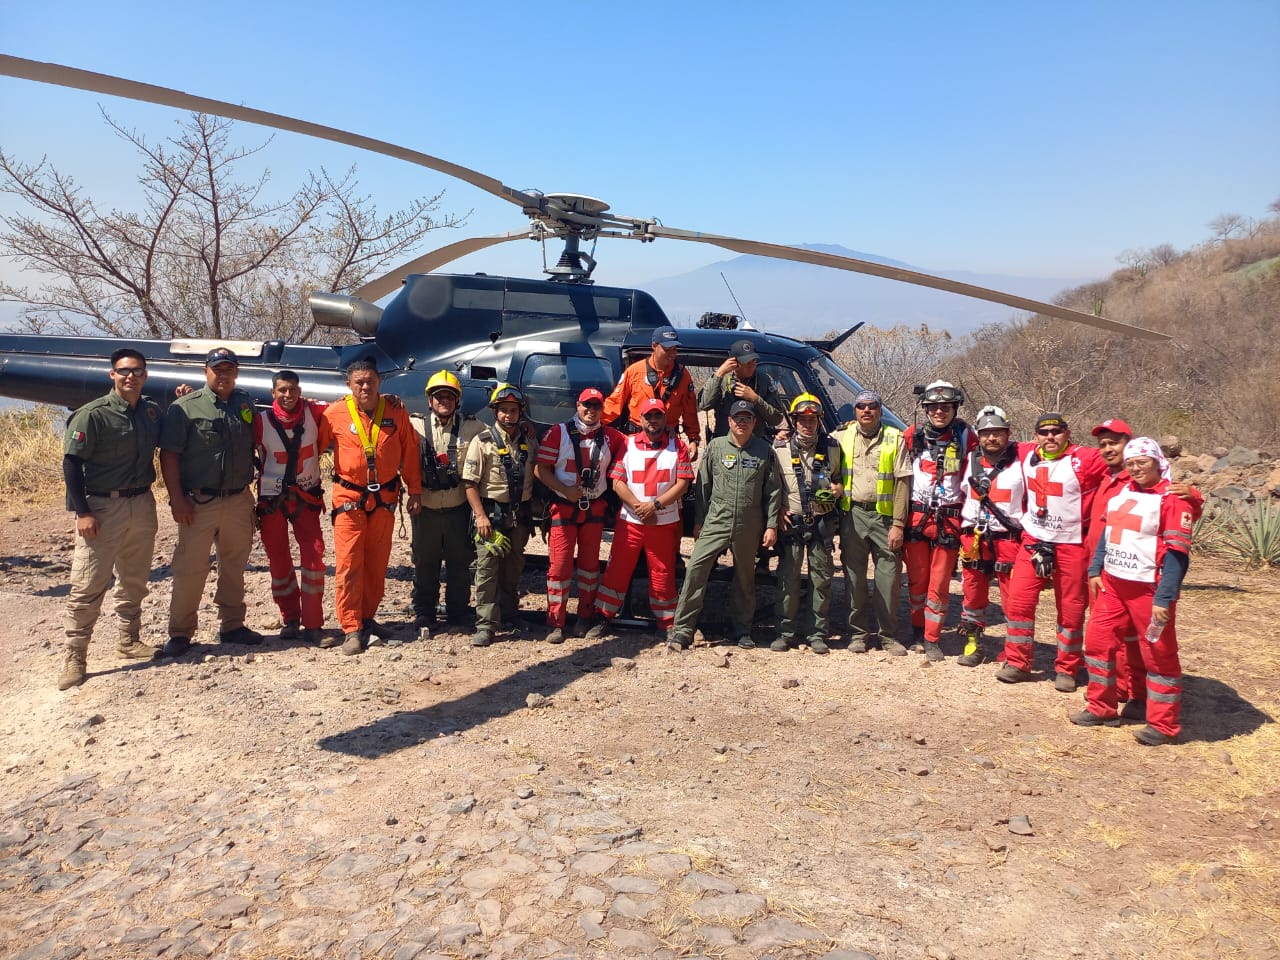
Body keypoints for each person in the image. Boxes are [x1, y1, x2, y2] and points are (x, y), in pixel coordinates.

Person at [1070, 438, 1194, 746]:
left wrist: (1164, 598)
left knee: (1159, 655)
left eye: (1143, 462)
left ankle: (1164, 725)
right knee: (1098, 643)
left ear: (1157, 462)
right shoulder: (1122, 493)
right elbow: (1108, 535)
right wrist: (1096, 568)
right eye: (1131, 463)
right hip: (1113, 585)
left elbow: (1178, 554)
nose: (1136, 468)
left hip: (1149, 590)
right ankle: (1102, 708)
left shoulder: (1172, 498)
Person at [57, 349, 163, 689]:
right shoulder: (92, 415)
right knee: (88, 583)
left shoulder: (149, 412)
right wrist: (82, 511)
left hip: (141, 503)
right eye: (123, 371)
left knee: (134, 577)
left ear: (145, 375)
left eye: (137, 371)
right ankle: (75, 656)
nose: (130, 376)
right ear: (112, 375)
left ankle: (128, 640)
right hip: (102, 507)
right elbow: (71, 463)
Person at [158, 347, 262, 657]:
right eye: (218, 368)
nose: (223, 373)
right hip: (199, 502)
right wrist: (177, 499)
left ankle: (232, 624)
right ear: (206, 371)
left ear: (237, 371)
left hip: (239, 500)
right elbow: (169, 454)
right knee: (190, 569)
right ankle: (180, 632)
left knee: (233, 566)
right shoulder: (185, 407)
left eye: (229, 368)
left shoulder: (245, 403)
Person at [996, 413, 1107, 691]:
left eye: (1056, 432)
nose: (1050, 437)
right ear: (1035, 436)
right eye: (1043, 432)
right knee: (1019, 602)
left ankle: (1067, 668)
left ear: (1067, 433)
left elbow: (1125, 462)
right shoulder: (1026, 452)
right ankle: (1018, 662)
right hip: (1034, 541)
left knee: (1070, 610)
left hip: (1072, 543)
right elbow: (990, 440)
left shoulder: (1086, 458)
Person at [322, 358, 422, 655]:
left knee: (377, 564)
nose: (365, 387)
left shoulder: (395, 411)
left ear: (380, 382)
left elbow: (410, 449)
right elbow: (312, 446)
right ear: (349, 385)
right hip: (349, 499)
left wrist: (414, 490)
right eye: (359, 382)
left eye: (371, 381)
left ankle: (367, 619)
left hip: (385, 500)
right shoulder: (334, 413)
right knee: (349, 564)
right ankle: (351, 627)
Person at [668, 400, 782, 650]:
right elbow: (703, 487)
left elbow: (773, 493)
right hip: (716, 520)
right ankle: (682, 630)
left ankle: (742, 630)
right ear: (729, 421)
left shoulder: (765, 451)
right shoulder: (716, 448)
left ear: (754, 422)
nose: (742, 422)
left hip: (749, 524)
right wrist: (699, 521)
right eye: (737, 418)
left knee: (745, 578)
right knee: (696, 570)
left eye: (747, 418)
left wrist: (771, 525)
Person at [595, 398, 694, 640]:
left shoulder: (678, 446)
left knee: (663, 572)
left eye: (657, 416)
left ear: (665, 418)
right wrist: (640, 507)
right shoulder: (627, 444)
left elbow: (683, 483)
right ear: (640, 419)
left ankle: (667, 623)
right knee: (617, 569)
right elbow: (617, 481)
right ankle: (602, 617)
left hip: (663, 521)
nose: (653, 421)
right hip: (631, 521)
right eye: (648, 416)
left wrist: (655, 506)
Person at [534, 387, 626, 643]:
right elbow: (541, 470)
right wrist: (565, 490)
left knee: (589, 567)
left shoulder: (612, 437)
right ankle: (555, 622)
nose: (591, 410)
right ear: (578, 405)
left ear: (602, 409)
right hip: (563, 507)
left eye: (596, 406)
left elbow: (640, 447)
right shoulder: (558, 433)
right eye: (587, 405)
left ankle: (585, 616)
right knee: (560, 566)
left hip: (594, 508)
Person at [901, 381, 976, 661]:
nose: (940, 412)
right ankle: (917, 631)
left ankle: (933, 638)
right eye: (934, 407)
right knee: (917, 581)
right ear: (926, 409)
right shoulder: (912, 436)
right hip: (918, 518)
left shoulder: (967, 437)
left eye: (946, 407)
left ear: (954, 408)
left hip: (949, 519)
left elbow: (988, 462)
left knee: (940, 584)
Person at [255, 370, 331, 645]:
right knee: (279, 561)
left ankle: (313, 624)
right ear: (273, 393)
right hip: (271, 501)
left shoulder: (316, 412)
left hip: (306, 498)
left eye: (293, 390)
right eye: (282, 390)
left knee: (314, 559)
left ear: (300, 391)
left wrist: (391, 400)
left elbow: (350, 406)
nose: (288, 395)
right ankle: (290, 618)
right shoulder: (259, 421)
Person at [835, 389, 912, 655]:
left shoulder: (895, 438)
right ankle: (858, 634)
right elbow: (813, 445)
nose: (866, 411)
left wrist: (898, 524)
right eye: (861, 406)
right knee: (854, 579)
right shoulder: (841, 436)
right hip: (852, 516)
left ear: (880, 410)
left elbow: (903, 482)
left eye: (872, 406)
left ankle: (888, 636)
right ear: (854, 411)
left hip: (884, 518)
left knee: (888, 580)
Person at [463, 383, 538, 647]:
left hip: (519, 518)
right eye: (503, 410)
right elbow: (470, 483)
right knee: (487, 571)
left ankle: (510, 615)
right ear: (495, 412)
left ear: (520, 413)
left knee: (513, 569)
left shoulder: (529, 441)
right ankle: (485, 625)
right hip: (490, 518)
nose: (508, 415)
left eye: (513, 410)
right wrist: (480, 517)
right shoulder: (481, 442)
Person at [409, 370, 483, 633]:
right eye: (438, 396)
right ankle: (424, 613)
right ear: (429, 400)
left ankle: (458, 613)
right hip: (425, 509)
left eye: (449, 397)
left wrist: (526, 429)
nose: (444, 401)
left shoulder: (472, 428)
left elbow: (498, 437)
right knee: (425, 564)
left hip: (457, 510)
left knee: (460, 564)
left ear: (457, 400)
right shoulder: (414, 426)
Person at [956, 406, 1027, 666]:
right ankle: (973, 642)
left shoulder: (1023, 462)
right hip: (974, 535)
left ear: (1008, 433)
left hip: (1008, 537)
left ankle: (1014, 651)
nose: (991, 438)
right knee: (973, 592)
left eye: (997, 432)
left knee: (1013, 596)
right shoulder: (970, 460)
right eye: (986, 433)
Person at [771, 394, 842, 654]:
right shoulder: (779, 448)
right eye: (802, 420)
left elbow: (840, 479)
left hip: (822, 523)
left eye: (812, 420)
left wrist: (837, 489)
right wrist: (778, 509)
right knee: (787, 579)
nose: (807, 425)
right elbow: (772, 486)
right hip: (792, 522)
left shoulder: (833, 447)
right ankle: (785, 632)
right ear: (794, 421)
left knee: (821, 580)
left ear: (818, 421)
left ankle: (817, 633)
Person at [603, 325, 700, 459]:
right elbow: (614, 403)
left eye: (674, 349)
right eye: (667, 349)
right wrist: (591, 425)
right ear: (654, 346)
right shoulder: (635, 371)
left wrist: (693, 439)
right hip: (637, 441)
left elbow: (690, 411)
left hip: (668, 443)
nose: (672, 354)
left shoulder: (683, 375)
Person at [698, 338, 785, 440]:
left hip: (755, 443)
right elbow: (705, 405)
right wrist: (719, 373)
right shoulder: (722, 381)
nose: (752, 366)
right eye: (747, 362)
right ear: (735, 363)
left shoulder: (763, 381)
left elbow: (776, 419)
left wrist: (756, 399)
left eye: (754, 361)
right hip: (726, 442)